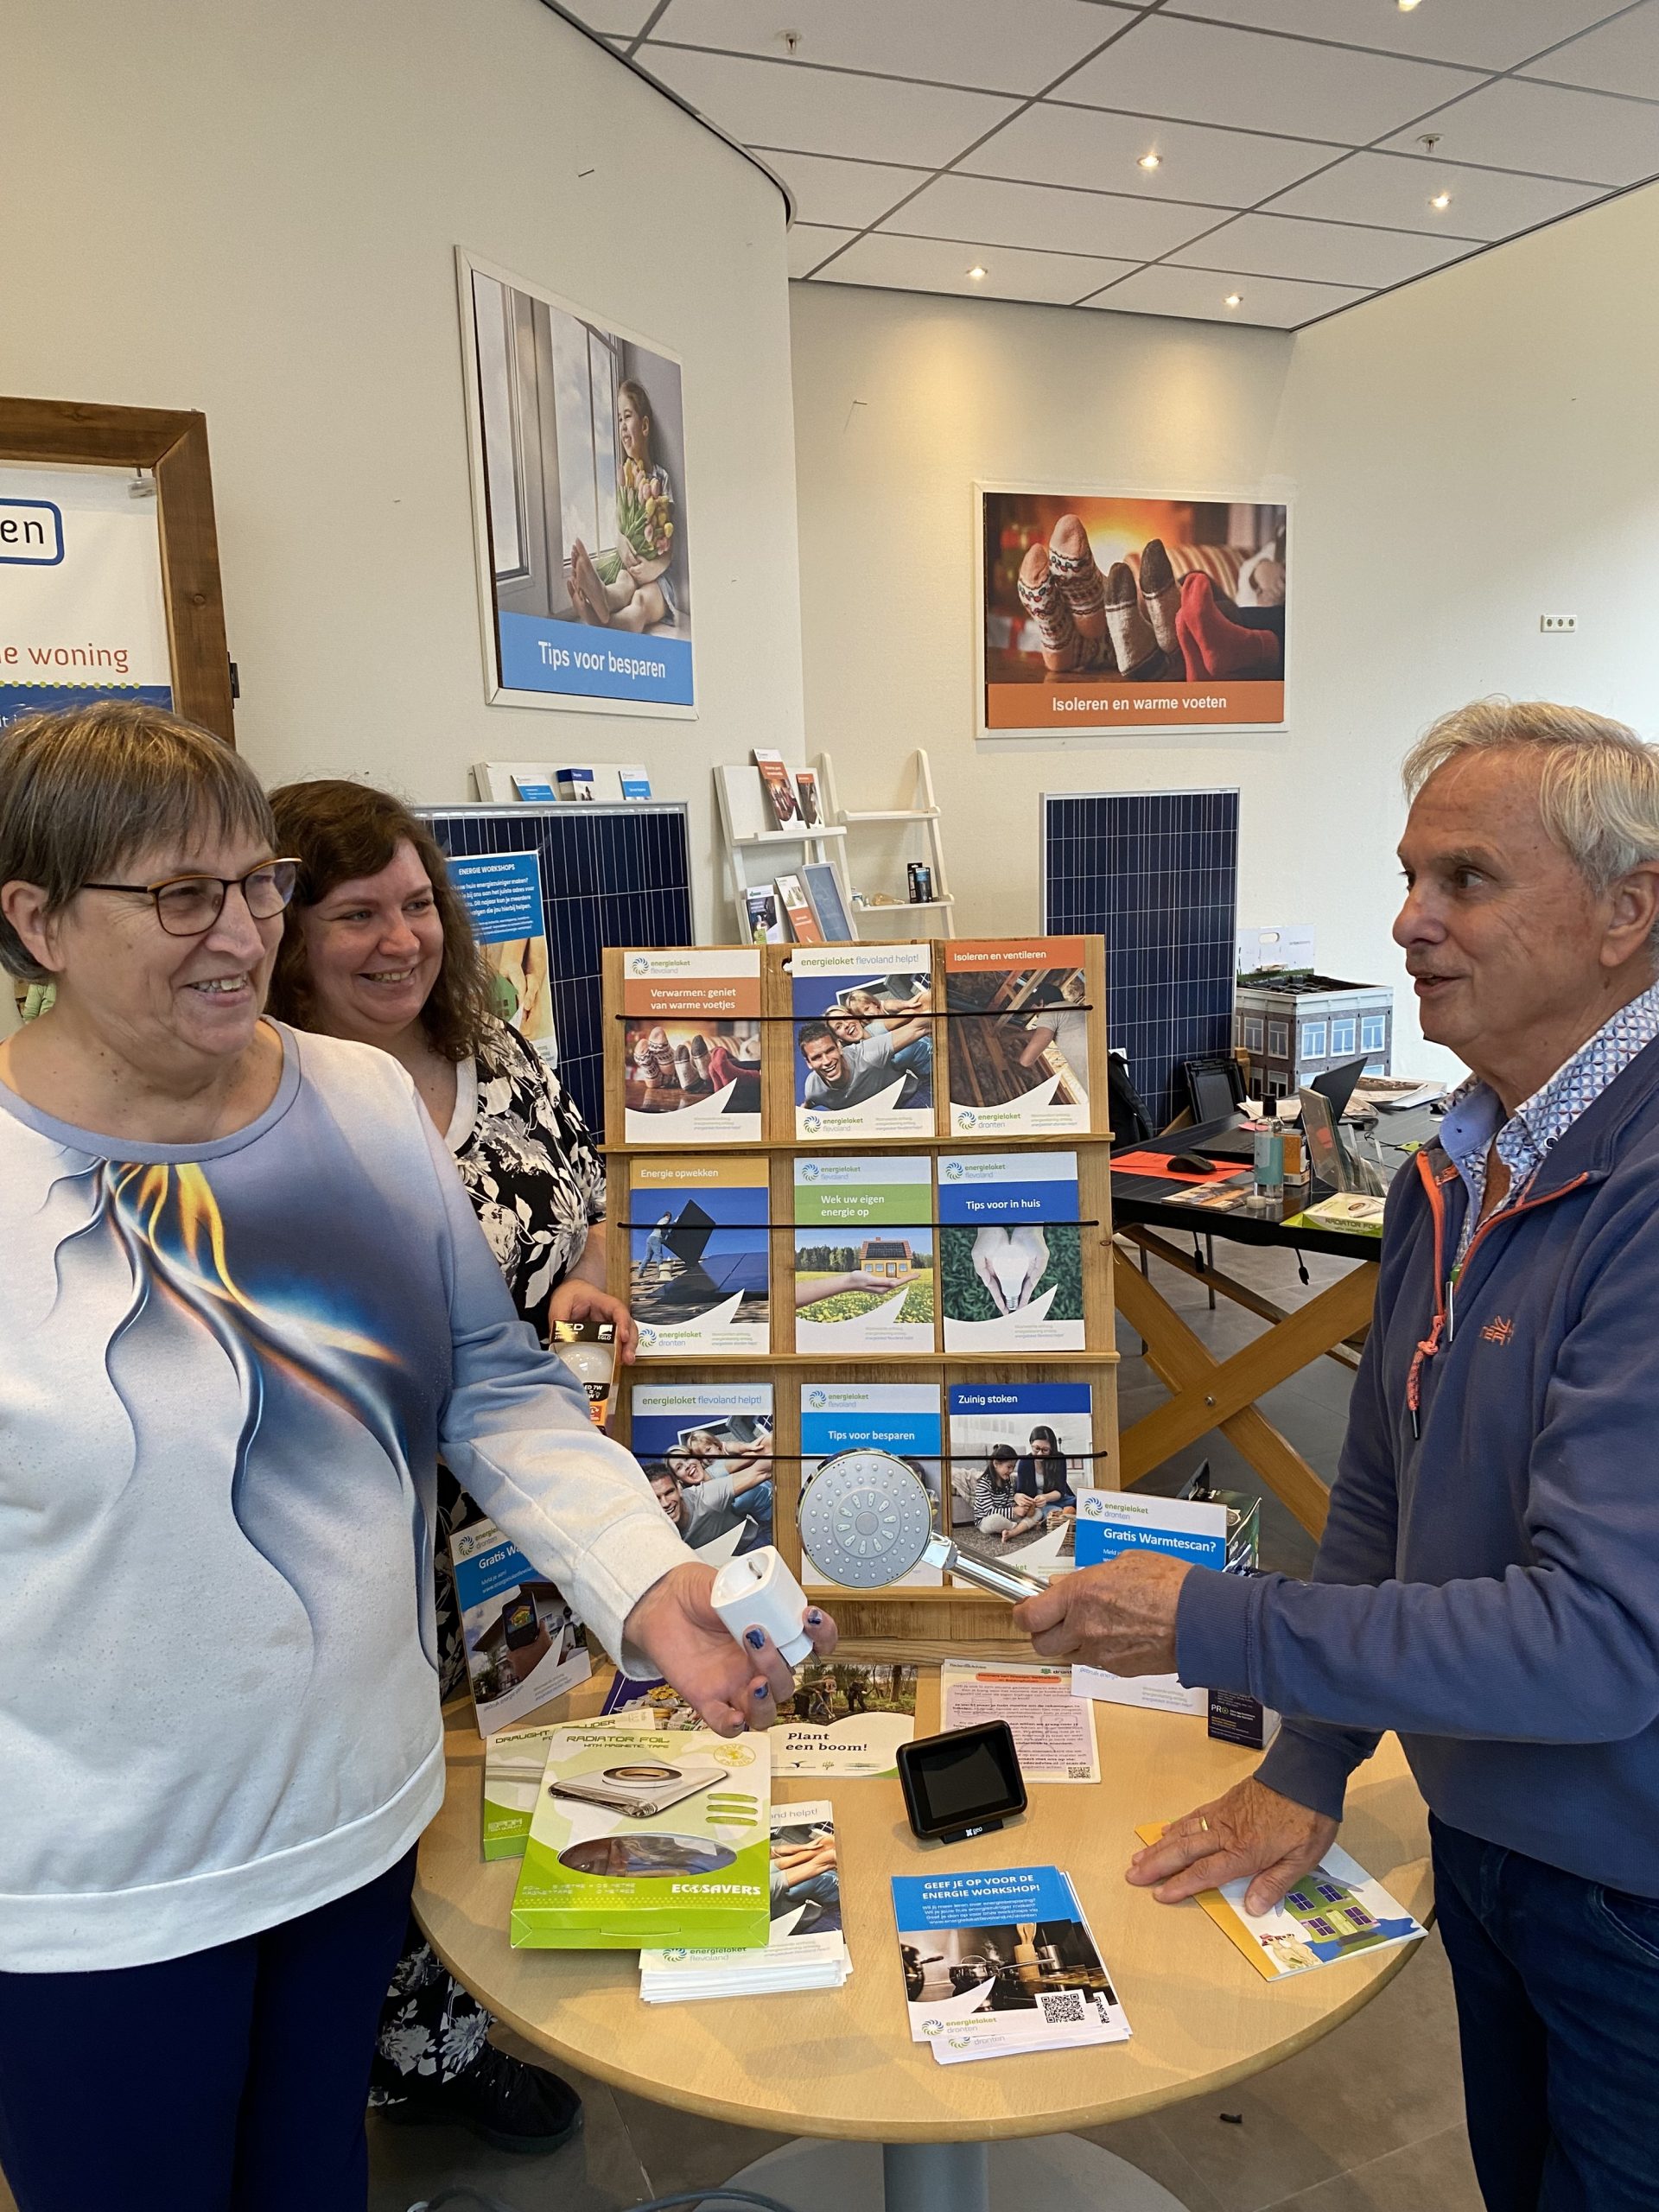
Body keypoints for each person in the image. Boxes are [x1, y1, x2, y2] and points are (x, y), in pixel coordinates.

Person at [0, 702, 836, 2212]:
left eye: (256, 884)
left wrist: (649, 1585)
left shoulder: (362, 1103)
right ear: (38, 921)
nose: (240, 935)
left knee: (315, 2180)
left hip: (351, 1821)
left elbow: (492, 1389)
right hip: (94, 1888)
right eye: (180, 896)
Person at [1011, 699, 1659, 2212]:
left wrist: (1209, 1625)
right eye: (1410, 874)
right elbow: (1384, 1491)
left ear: (1629, 913)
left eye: (1468, 881)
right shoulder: (1471, 1151)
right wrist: (1310, 1758)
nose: (1409, 921)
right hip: (1494, 1842)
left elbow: (1598, 1642)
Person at [265, 777, 632, 2148]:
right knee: (386, 1795)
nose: (398, 940)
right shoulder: (269, 1102)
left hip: (524, 1505)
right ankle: (397, 2049)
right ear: (288, 933)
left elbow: (580, 1212)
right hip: (358, 1530)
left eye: (417, 905)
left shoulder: (496, 1044)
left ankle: (461, 2022)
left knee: (505, 1759)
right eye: (355, 914)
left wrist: (580, 1292)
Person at [567, 378, 677, 635]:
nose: (622, 427)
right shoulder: (625, 484)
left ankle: (608, 623)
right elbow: (621, 528)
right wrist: (619, 542)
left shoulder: (661, 479)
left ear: (645, 425)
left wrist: (654, 568)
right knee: (623, 583)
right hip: (631, 571)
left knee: (639, 603)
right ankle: (603, 598)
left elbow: (668, 544)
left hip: (658, 581)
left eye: (627, 416)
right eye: (619, 420)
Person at [798, 1014, 931, 1113]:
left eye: (830, 1051)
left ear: (839, 1048)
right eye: (816, 1057)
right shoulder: (812, 1088)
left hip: (909, 1100)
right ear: (809, 1063)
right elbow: (809, 1104)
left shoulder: (868, 1054)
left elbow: (918, 1028)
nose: (826, 1061)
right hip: (875, 1120)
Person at [1015, 1425, 1077, 1523]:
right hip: (1038, 1504)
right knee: (1054, 1515)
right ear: (1031, 1444)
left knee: (1081, 1505)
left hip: (1059, 1498)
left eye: (1045, 1450)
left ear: (1052, 1449)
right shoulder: (1025, 1462)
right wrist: (1018, 1496)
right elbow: (1020, 1490)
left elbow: (1060, 1491)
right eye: (1036, 1448)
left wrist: (1046, 1497)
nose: (1040, 1453)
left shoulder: (1059, 1459)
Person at [971, 1446, 1023, 1540]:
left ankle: (1012, 1528)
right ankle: (1018, 1527)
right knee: (995, 1520)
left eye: (1013, 1467)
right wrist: (1014, 1511)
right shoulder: (984, 1484)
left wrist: (1019, 1508)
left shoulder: (1008, 1482)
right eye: (1009, 1467)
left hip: (1006, 1517)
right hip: (985, 1520)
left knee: (1036, 1512)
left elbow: (1009, 1504)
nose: (1011, 1471)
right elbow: (990, 1512)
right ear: (996, 1463)